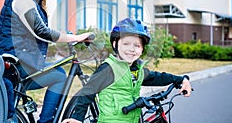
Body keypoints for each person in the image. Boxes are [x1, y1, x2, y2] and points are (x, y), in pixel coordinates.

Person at [0, 0, 93, 123]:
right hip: (13, 62)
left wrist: (62, 37)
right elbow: (41, 31)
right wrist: (75, 38)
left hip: (14, 60)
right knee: (60, 75)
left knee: (55, 71)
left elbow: (32, 33)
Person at [62, 18, 192, 123]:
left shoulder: (138, 70)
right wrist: (77, 118)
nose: (131, 49)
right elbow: (87, 92)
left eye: (137, 45)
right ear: (115, 44)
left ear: (141, 50)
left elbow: (157, 77)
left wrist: (181, 79)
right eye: (126, 44)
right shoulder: (108, 69)